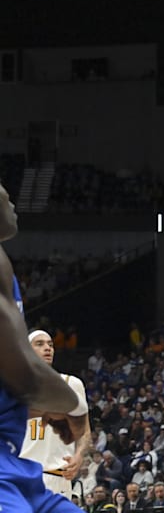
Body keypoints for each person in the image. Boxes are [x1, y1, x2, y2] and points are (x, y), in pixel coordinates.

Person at [0, 180, 89, 512]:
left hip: (18, 468)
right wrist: (72, 406)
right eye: (6, 199)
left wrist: (48, 409)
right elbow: (24, 373)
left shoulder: (5, 268)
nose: (12, 207)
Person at [20, 329, 92, 501]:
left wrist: (79, 455)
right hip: (20, 479)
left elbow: (84, 431)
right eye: (40, 344)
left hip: (56, 477)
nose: (48, 348)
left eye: (50, 345)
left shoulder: (71, 384)